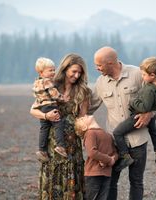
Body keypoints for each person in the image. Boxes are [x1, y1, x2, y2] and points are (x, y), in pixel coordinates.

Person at [88, 46, 155, 200]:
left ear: (110, 63)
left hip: (138, 139)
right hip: (114, 143)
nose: (96, 68)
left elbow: (155, 97)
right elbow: (90, 107)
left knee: (136, 182)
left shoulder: (137, 74)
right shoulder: (100, 82)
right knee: (111, 181)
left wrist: (149, 114)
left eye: (99, 65)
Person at [30, 53, 92, 200]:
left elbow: (83, 118)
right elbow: (33, 110)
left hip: (72, 145)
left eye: (80, 73)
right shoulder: (50, 85)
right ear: (65, 69)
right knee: (52, 177)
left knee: (72, 181)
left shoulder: (83, 91)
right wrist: (46, 116)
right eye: (74, 71)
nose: (77, 75)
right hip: (53, 142)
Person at [113, 57, 156, 171]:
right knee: (154, 131)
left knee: (117, 132)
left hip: (138, 116)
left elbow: (144, 107)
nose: (142, 77)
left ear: (152, 75)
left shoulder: (150, 90)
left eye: (143, 75)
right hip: (152, 115)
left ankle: (125, 157)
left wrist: (133, 101)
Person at [32, 57, 69, 162]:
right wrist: (63, 98)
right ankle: (60, 146)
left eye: (54, 70)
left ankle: (42, 150)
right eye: (50, 70)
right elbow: (54, 93)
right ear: (41, 72)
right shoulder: (47, 82)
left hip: (42, 107)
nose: (53, 72)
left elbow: (36, 95)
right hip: (51, 106)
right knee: (58, 123)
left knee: (44, 128)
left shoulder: (36, 82)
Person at [75, 115, 118, 200]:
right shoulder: (90, 133)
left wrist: (113, 159)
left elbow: (115, 152)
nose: (85, 115)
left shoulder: (107, 134)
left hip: (106, 173)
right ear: (84, 127)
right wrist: (109, 159)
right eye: (83, 119)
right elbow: (92, 152)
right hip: (93, 173)